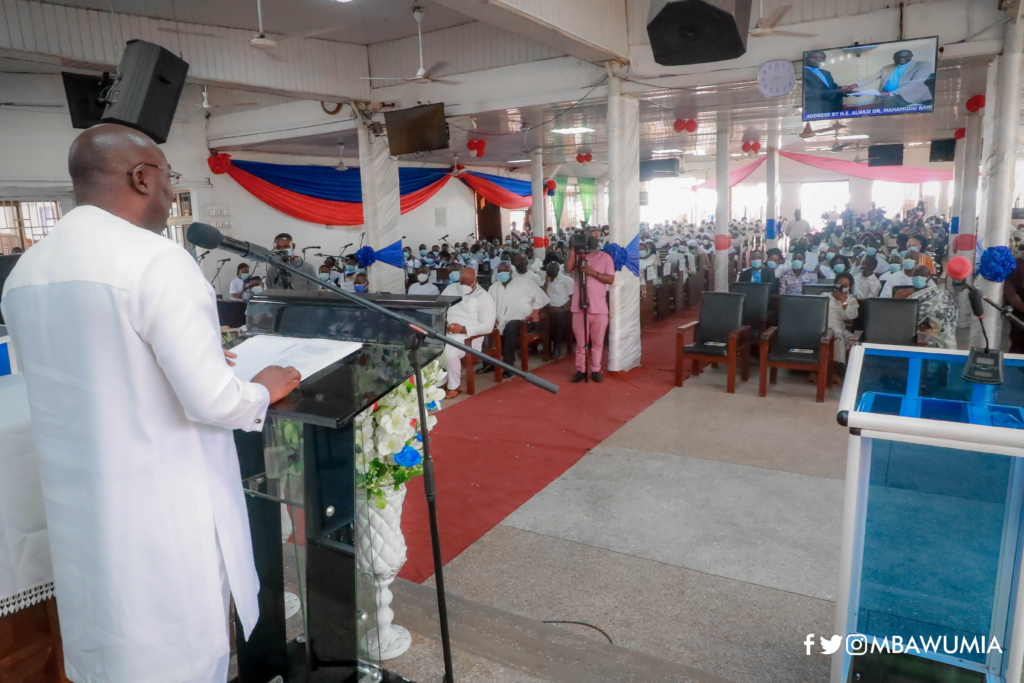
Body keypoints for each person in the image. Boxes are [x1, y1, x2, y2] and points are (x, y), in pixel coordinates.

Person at [0, 124, 301, 683]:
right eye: (169, 177)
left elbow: (94, 368)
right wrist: (263, 387)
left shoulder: (27, 271)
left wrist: (189, 360)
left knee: (107, 650)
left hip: (80, 514)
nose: (169, 193)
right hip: (163, 513)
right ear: (142, 177)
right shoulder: (156, 260)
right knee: (179, 656)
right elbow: (213, 402)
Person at [565, 226, 615, 383]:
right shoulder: (578, 256)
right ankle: (581, 369)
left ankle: (595, 369)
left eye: (597, 236)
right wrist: (573, 248)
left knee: (597, 342)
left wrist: (592, 273)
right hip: (580, 307)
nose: (596, 238)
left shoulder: (605, 257)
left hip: (599, 308)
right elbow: (568, 268)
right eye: (592, 235)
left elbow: (610, 280)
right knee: (581, 342)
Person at [441, 268, 497, 398]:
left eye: (468, 282)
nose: (464, 284)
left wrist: (463, 329)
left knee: (449, 352)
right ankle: (440, 380)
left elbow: (488, 326)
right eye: (462, 281)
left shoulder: (485, 297)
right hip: (446, 331)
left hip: (469, 336)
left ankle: (454, 386)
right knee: (426, 346)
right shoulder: (451, 289)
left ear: (475, 281)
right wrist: (442, 324)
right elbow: (440, 307)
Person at [488, 262, 550, 372]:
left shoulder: (524, 282)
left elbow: (541, 297)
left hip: (521, 321)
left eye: (505, 271)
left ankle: (508, 365)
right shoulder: (493, 288)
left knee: (510, 328)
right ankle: (489, 363)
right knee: (487, 326)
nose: (502, 273)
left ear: (511, 272)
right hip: (500, 320)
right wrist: (492, 319)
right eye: (500, 272)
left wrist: (535, 312)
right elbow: (489, 305)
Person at [853, 49, 935, 107]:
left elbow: (915, 82)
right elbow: (872, 78)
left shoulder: (923, 65)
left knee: (889, 103)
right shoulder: (887, 67)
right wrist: (856, 84)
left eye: (905, 57)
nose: (901, 59)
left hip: (910, 97)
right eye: (898, 58)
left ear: (911, 56)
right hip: (886, 96)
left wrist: (892, 93)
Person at [900, 266, 957, 348]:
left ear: (928, 278)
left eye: (922, 275)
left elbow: (945, 312)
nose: (918, 278)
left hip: (934, 331)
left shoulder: (940, 293)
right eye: (916, 276)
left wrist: (931, 323)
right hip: (909, 331)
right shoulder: (902, 293)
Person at [803, 50, 857, 116]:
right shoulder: (803, 73)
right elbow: (810, 93)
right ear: (806, 58)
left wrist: (848, 90)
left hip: (834, 109)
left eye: (822, 57)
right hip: (817, 111)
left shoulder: (826, 73)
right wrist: (839, 90)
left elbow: (833, 87)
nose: (818, 59)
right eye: (815, 57)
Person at [822, 272, 860, 365]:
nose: (842, 286)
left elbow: (850, 317)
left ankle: (837, 367)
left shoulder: (851, 300)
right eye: (840, 283)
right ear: (835, 284)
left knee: (841, 336)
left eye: (846, 284)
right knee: (837, 335)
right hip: (822, 328)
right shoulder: (825, 296)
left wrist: (843, 301)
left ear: (850, 287)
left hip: (839, 328)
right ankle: (832, 368)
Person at [544, 261, 574, 358]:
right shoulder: (546, 280)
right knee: (543, 318)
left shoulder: (566, 280)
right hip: (549, 307)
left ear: (557, 270)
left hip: (563, 308)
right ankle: (546, 346)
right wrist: (545, 283)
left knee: (559, 316)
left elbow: (573, 299)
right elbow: (542, 296)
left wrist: (560, 308)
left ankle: (556, 345)